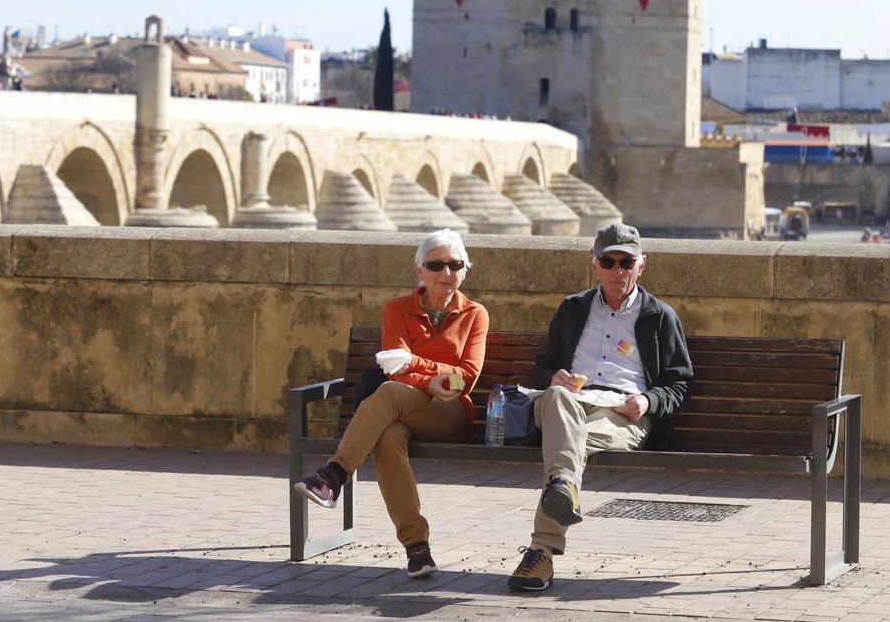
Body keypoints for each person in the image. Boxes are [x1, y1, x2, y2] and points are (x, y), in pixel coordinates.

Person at [508, 223, 693, 592]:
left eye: (626, 262)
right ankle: (562, 490)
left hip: (621, 414)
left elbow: (680, 385)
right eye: (608, 261)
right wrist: (554, 377)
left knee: (565, 452)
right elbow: (540, 368)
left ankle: (541, 550)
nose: (617, 270)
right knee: (558, 399)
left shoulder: (659, 316)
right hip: (570, 403)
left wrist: (647, 401)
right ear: (594, 264)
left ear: (642, 264)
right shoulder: (572, 309)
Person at [294, 228, 488, 578]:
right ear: (420, 271)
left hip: (451, 413)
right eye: (436, 265)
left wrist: (417, 366)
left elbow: (466, 378)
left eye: (455, 265)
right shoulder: (397, 309)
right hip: (403, 408)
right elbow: (391, 367)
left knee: (387, 393)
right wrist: (430, 378)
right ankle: (417, 548)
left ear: (464, 270)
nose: (446, 273)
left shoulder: (475, 314)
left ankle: (334, 474)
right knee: (387, 436)